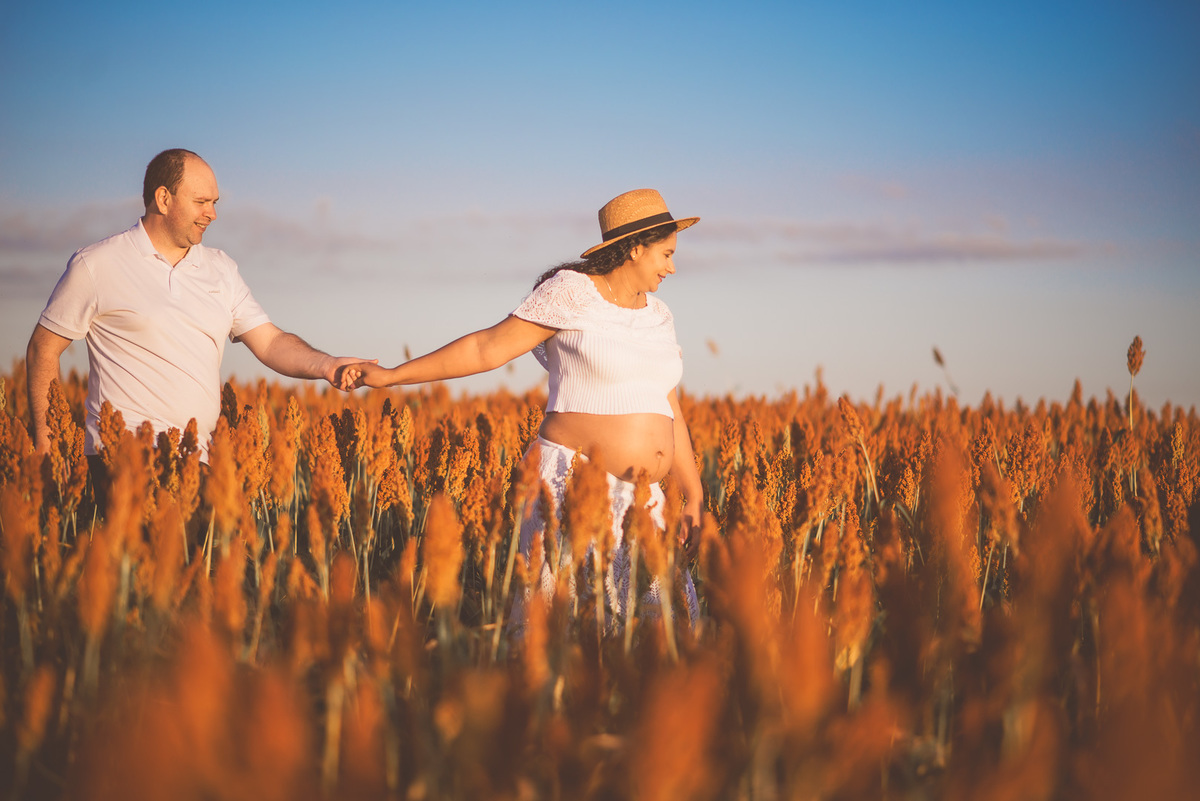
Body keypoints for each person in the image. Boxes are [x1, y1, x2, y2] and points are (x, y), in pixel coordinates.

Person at [346, 188, 702, 625]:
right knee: (568, 633)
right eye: (665, 254)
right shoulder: (573, 292)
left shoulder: (659, 315)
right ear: (634, 248)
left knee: (662, 631)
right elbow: (485, 348)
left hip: (646, 499)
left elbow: (669, 405)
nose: (673, 267)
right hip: (573, 483)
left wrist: (694, 494)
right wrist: (393, 376)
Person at [26, 149, 369, 476]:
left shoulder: (220, 268)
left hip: (197, 458)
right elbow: (43, 348)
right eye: (201, 202)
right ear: (163, 199)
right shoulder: (97, 265)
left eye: (215, 203)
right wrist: (46, 439)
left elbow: (270, 342)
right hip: (123, 457)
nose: (212, 214)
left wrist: (328, 365)